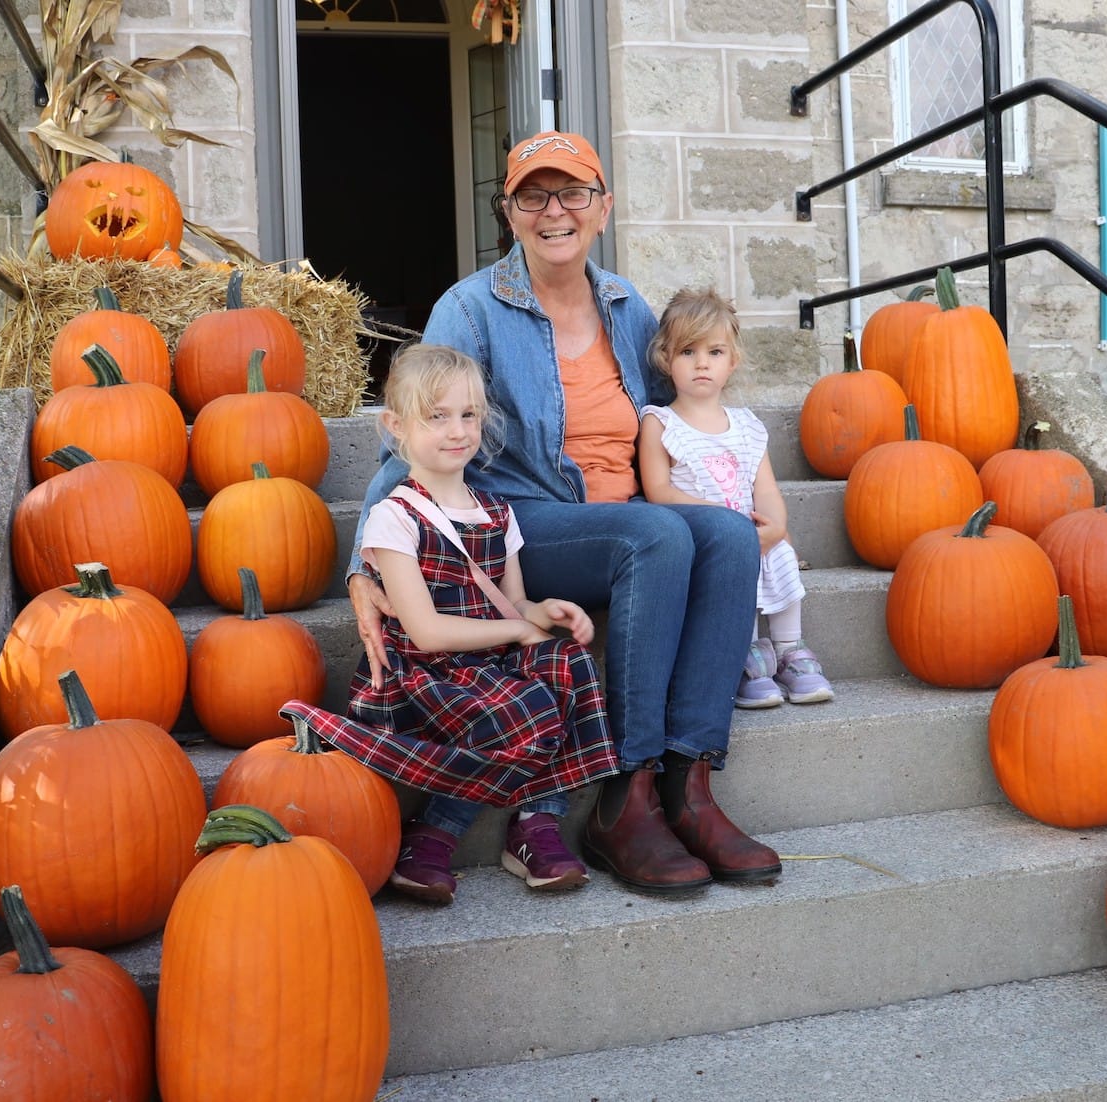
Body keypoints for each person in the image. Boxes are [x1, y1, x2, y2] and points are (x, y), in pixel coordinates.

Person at [344, 130, 781, 896]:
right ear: (508, 214)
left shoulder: (626, 306)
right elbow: (409, 438)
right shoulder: (471, 310)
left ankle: (690, 782)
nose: (555, 211)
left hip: (640, 523)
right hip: (525, 527)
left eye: (573, 192)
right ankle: (627, 793)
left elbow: (673, 413)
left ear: (602, 207)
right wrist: (364, 567)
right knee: (655, 533)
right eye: (532, 196)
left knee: (728, 536)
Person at [282, 343, 618, 905]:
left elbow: (514, 606)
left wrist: (546, 612)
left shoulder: (497, 512)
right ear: (395, 426)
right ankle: (435, 831)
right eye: (436, 416)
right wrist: (516, 631)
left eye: (468, 415)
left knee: (571, 662)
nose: (457, 430)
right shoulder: (395, 517)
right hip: (425, 674)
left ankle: (536, 823)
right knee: (527, 708)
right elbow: (426, 633)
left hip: (486, 662)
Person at [638, 288, 834, 709]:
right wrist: (729, 523)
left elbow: (764, 487)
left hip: (751, 531)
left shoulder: (746, 426)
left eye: (714, 351)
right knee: (731, 567)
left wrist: (776, 525)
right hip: (704, 537)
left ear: (733, 360)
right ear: (665, 359)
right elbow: (660, 491)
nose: (702, 363)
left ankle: (789, 651)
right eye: (687, 351)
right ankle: (746, 655)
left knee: (779, 551)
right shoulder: (660, 423)